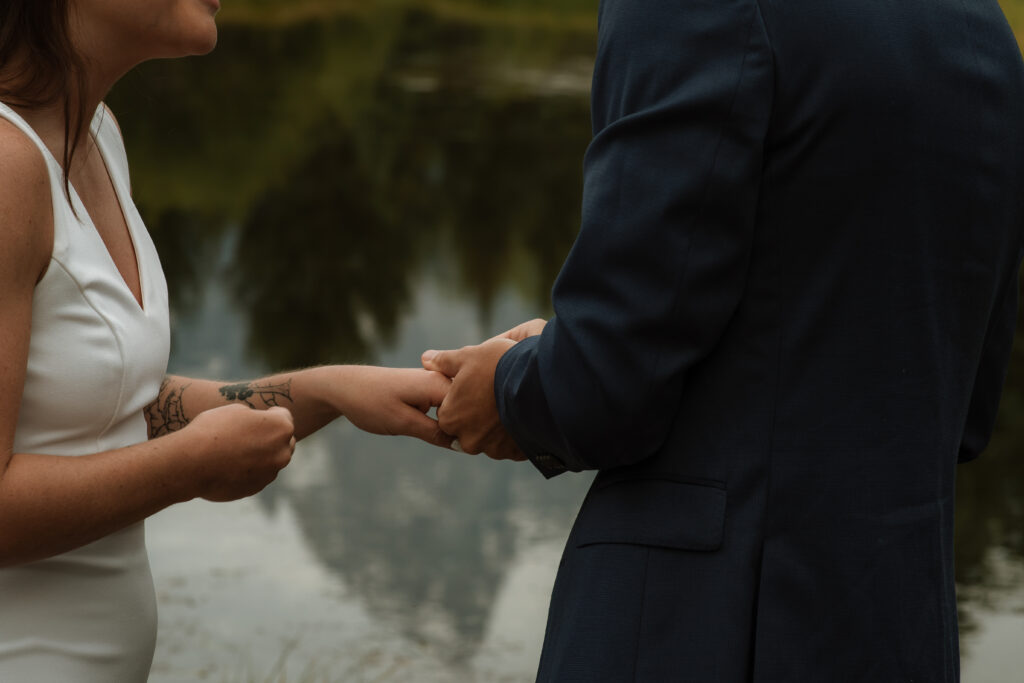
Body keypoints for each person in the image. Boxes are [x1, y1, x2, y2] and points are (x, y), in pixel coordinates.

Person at [423, 0, 1024, 680]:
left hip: (703, 630)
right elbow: (964, 404)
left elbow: (602, 385)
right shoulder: (981, 29)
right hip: (898, 632)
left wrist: (509, 385)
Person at [0, 2, 450, 680]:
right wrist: (188, 469)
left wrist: (327, 389)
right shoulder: (6, 168)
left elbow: (109, 407)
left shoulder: (95, 136)